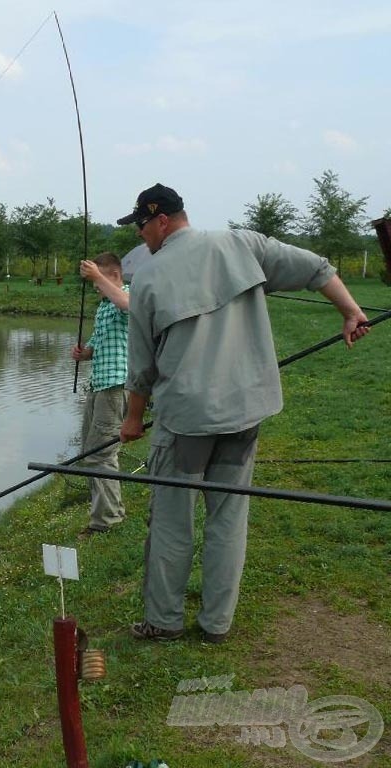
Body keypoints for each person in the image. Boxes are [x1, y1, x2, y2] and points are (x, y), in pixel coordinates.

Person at [117, 183, 370, 644]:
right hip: (245, 412)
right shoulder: (243, 243)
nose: (141, 237)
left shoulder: (149, 278)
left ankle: (165, 621)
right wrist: (351, 311)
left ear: (161, 220)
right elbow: (317, 269)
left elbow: (142, 368)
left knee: (173, 519)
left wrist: (133, 421)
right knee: (229, 517)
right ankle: (217, 624)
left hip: (185, 421)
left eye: (141, 226)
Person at [70, 251, 130, 536]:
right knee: (89, 452)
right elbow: (95, 344)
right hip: (98, 385)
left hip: (116, 386)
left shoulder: (128, 295)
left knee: (101, 454)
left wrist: (97, 277)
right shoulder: (104, 306)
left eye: (98, 278)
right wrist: (83, 353)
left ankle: (106, 521)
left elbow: (128, 305)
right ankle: (107, 511)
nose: (95, 286)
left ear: (115, 275)